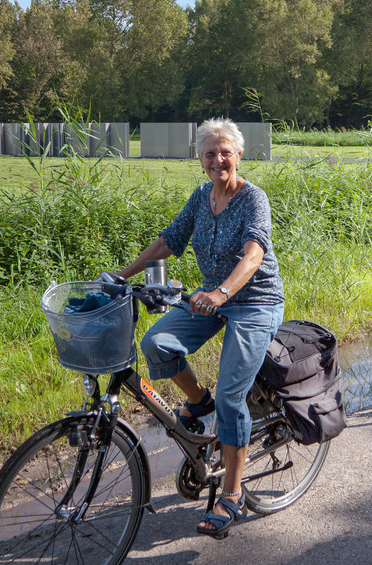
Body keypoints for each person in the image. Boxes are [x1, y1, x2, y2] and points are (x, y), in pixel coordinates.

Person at [116, 118, 284, 539]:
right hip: (212, 298)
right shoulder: (200, 198)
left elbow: (253, 255)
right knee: (156, 343)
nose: (218, 159)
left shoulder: (253, 199)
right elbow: (167, 242)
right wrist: (122, 276)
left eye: (225, 151)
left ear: (239, 154)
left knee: (233, 394)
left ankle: (232, 494)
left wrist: (223, 294)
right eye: (210, 152)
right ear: (200, 159)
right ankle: (199, 400)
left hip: (253, 303)